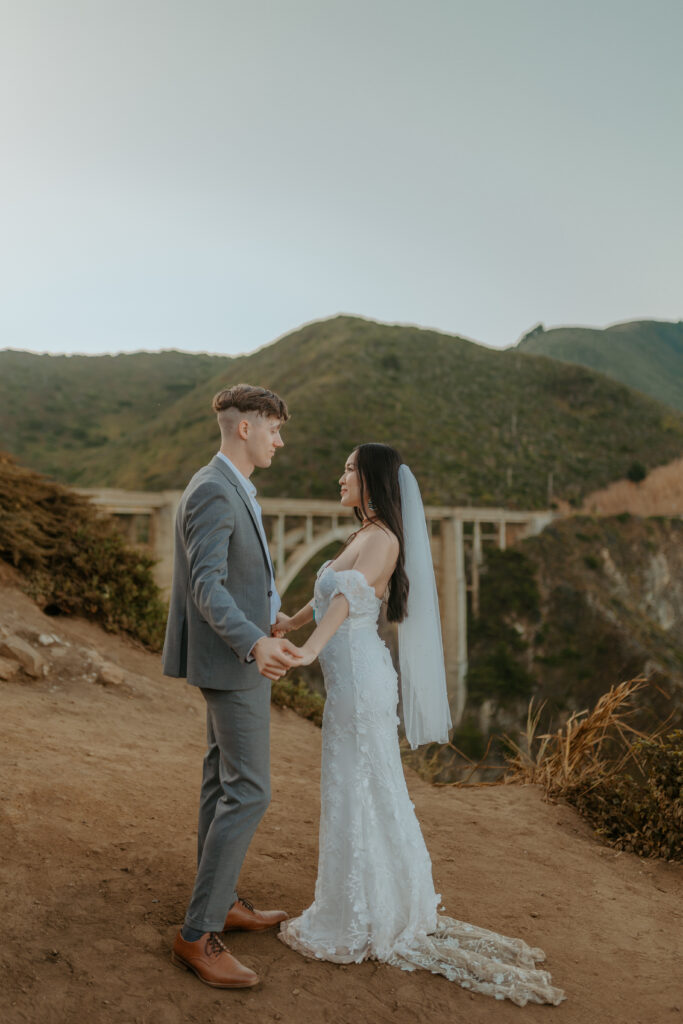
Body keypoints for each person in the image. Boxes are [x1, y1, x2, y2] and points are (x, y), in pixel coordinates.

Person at [274, 443, 565, 1007]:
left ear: (372, 480)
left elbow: (346, 604)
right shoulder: (363, 535)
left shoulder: (383, 539)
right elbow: (328, 592)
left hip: (361, 685)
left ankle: (366, 913)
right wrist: (291, 621)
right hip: (351, 685)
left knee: (362, 789)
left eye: (349, 470)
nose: (340, 476)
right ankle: (360, 901)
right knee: (352, 790)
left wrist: (307, 651)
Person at [162, 383, 302, 989]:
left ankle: (220, 903)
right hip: (233, 663)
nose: (280, 439)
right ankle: (197, 934)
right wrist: (253, 642)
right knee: (250, 792)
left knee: (222, 780)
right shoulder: (215, 490)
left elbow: (239, 577)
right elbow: (207, 586)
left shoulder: (231, 486)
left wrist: (267, 615)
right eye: (274, 428)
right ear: (245, 428)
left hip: (238, 654)